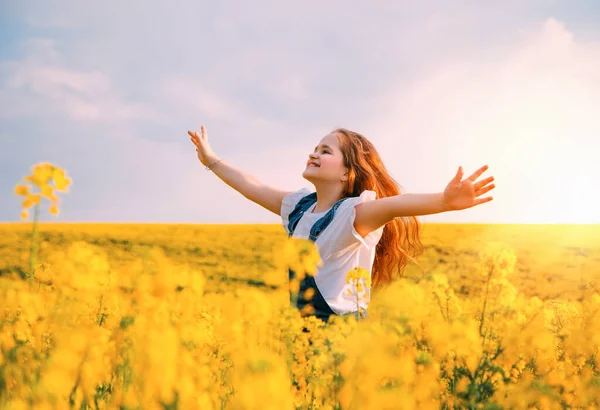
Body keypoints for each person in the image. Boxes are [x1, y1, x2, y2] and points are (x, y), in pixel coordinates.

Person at [189, 125, 495, 323]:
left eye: (326, 151)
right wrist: (211, 159)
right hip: (301, 330)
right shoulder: (299, 208)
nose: (314, 153)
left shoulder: (354, 214)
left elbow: (396, 205)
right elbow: (252, 186)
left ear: (347, 173)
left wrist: (444, 201)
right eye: (315, 148)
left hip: (339, 334)